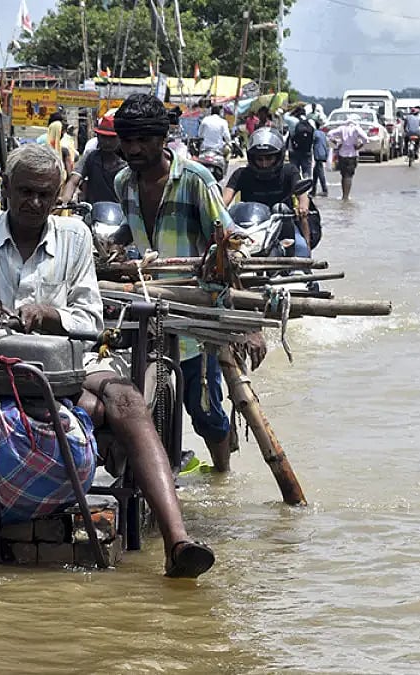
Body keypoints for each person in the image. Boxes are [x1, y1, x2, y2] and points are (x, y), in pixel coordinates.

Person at [0, 143, 215, 578]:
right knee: (81, 410)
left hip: (67, 361)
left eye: (45, 195)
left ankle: (177, 541)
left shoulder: (75, 236)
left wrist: (50, 316)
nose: (34, 203)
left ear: (58, 195)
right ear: (5, 189)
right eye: (25, 191)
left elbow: (89, 316)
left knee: (125, 404)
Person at [111, 93, 263, 473]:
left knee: (204, 410)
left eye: (142, 140)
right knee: (145, 405)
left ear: (163, 139)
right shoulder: (122, 183)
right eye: (127, 140)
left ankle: (222, 474)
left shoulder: (195, 180)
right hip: (147, 315)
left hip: (196, 317)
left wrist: (248, 323)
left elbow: (230, 245)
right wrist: (109, 247)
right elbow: (133, 229)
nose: (133, 149)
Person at [222, 128, 313, 258]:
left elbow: (302, 195)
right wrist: (216, 210)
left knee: (301, 248)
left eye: (269, 158)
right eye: (259, 159)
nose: (264, 163)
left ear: (278, 156)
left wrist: (303, 206)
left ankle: (306, 268)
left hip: (283, 228)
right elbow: (223, 200)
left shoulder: (289, 171)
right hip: (249, 231)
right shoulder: (241, 174)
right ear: (252, 157)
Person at [65, 115, 126, 204]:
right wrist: (64, 199)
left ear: (120, 138)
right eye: (103, 137)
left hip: (120, 213)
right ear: (97, 136)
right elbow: (74, 181)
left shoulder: (127, 162)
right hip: (93, 211)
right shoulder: (91, 157)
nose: (107, 142)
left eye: (112, 138)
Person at [327, 113, 370, 201]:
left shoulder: (342, 128)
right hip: (352, 155)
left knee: (343, 175)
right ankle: (346, 197)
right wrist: (359, 146)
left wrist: (337, 143)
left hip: (342, 154)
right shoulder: (356, 129)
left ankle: (343, 195)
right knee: (349, 176)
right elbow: (366, 139)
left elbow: (329, 134)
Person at [287, 110, 316, 181]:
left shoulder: (292, 121)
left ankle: (295, 186)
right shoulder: (311, 122)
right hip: (307, 150)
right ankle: (307, 187)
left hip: (294, 150)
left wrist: (291, 111)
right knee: (307, 170)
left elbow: (285, 116)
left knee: (294, 170)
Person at [311, 123, 330, 197]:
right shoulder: (322, 133)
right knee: (316, 173)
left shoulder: (315, 133)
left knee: (320, 172)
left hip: (318, 154)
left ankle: (324, 190)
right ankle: (313, 190)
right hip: (323, 153)